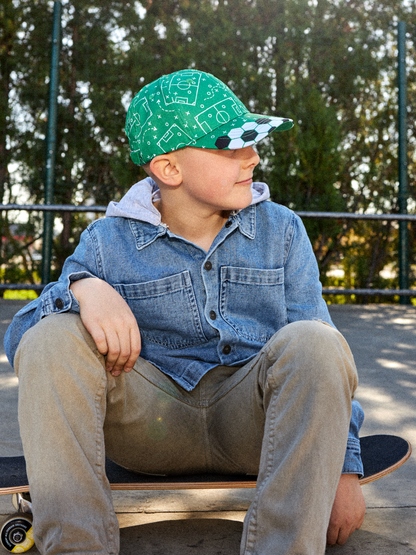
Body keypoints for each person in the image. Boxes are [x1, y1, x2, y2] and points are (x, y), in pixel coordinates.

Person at [5, 69, 366, 555]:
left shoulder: (281, 230)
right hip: (150, 429)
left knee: (317, 342)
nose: (253, 157)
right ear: (169, 170)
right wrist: (84, 289)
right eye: (231, 147)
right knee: (52, 336)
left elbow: (325, 364)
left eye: (253, 143)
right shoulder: (108, 243)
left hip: (254, 426)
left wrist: (344, 469)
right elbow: (21, 339)